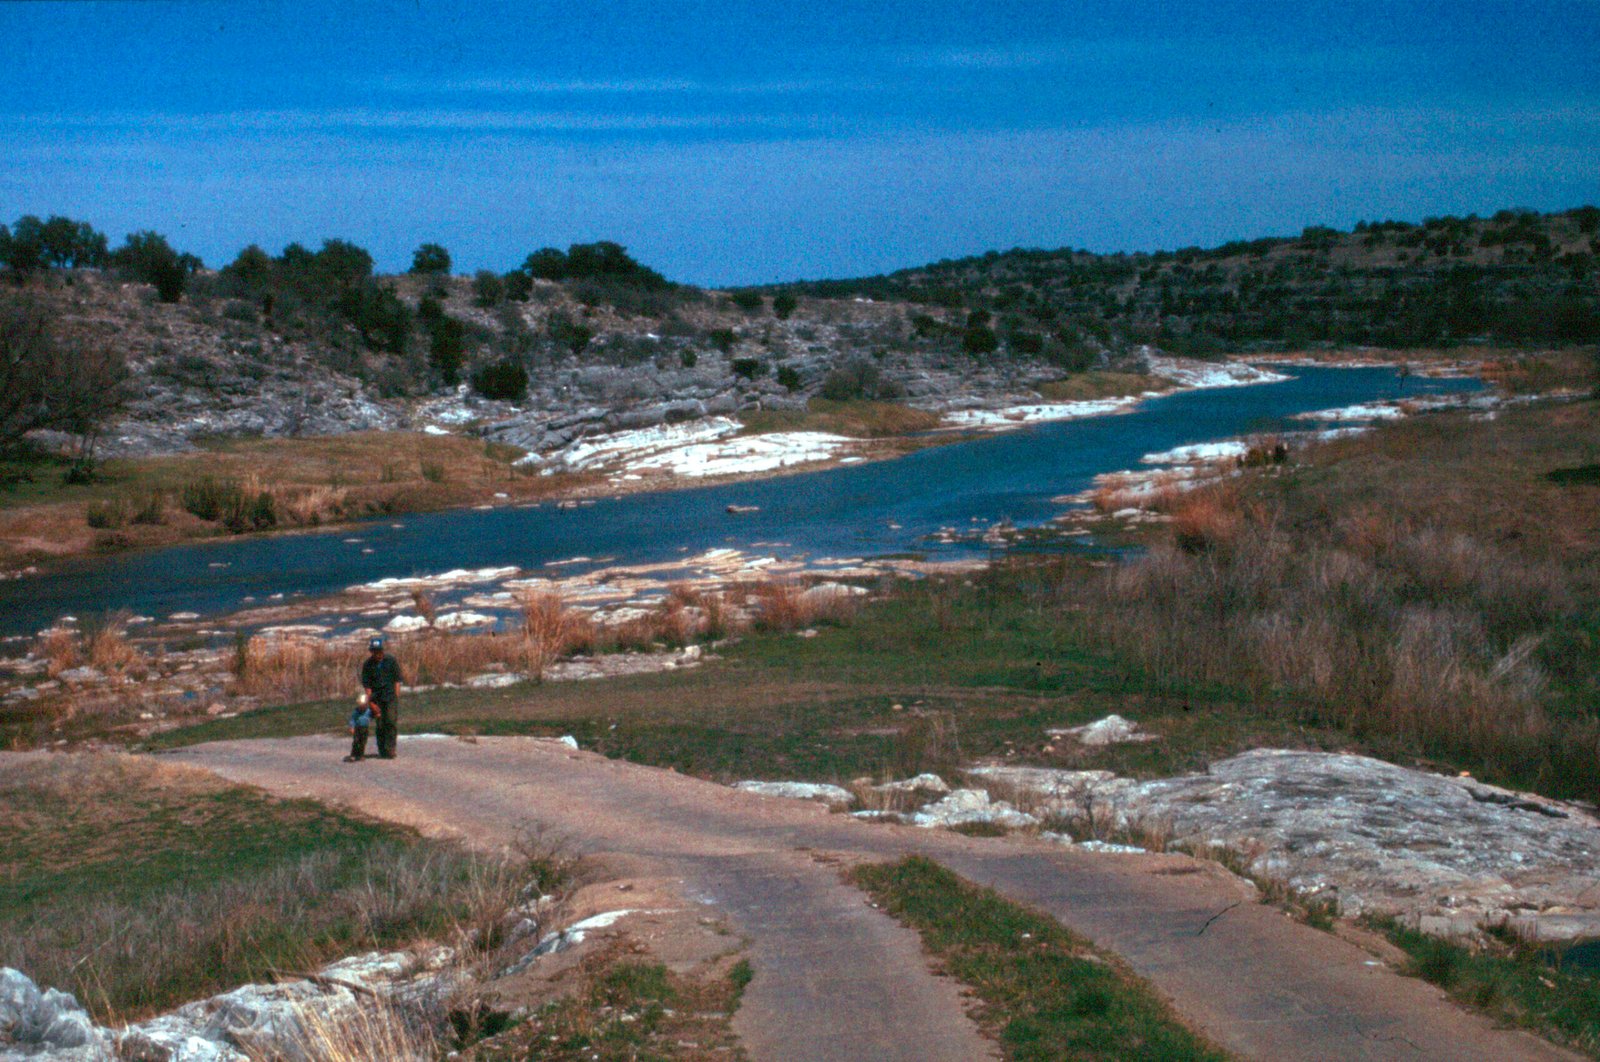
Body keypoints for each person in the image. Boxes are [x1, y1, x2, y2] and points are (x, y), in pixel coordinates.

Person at [359, 635, 403, 759]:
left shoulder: (391, 661)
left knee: (390, 721)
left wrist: (396, 697)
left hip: (390, 696)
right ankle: (382, 749)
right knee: (380, 724)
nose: (378, 654)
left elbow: (397, 680)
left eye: (380, 651)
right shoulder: (368, 665)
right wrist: (371, 703)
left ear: (383, 650)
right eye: (375, 652)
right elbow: (367, 686)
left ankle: (390, 749)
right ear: (371, 652)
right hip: (376, 698)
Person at [343, 694, 375, 763]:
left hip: (365, 728)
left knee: (363, 742)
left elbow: (372, 716)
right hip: (358, 728)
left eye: (363, 706)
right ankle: (353, 755)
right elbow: (352, 719)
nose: (362, 707)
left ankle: (360, 755)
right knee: (356, 742)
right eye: (360, 706)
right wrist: (352, 727)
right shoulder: (356, 711)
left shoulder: (368, 711)